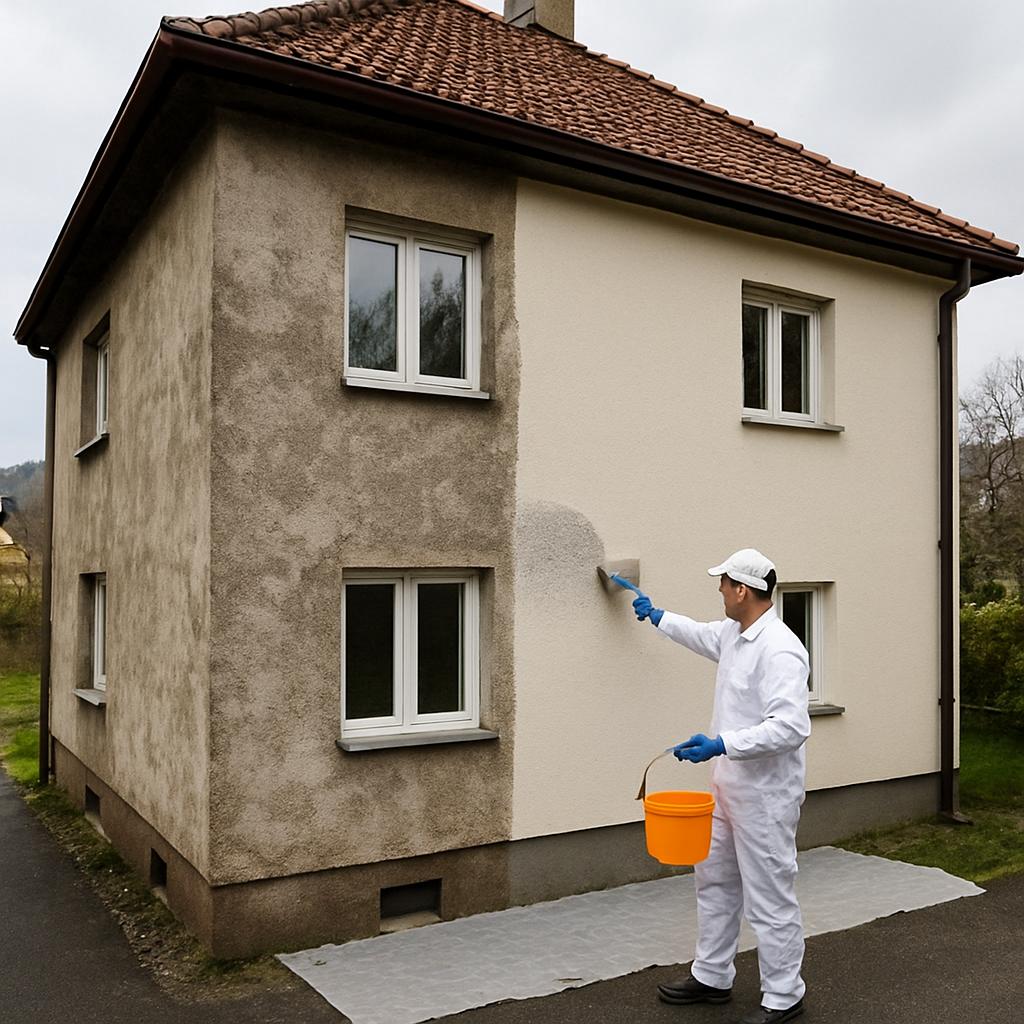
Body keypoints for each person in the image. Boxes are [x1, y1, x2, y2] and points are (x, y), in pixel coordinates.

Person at [632, 548, 811, 1024]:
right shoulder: (736, 633)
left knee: (769, 895)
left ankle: (784, 994)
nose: (719, 592)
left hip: (765, 797)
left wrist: (721, 744)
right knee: (714, 883)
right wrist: (656, 615)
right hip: (727, 790)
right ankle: (712, 976)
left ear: (742, 591)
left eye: (723, 584)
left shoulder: (781, 649)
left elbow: (791, 727)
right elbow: (699, 633)